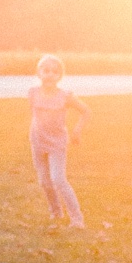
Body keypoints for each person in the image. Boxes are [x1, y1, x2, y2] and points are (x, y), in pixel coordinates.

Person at [28, 54, 90, 228]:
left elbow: (86, 111)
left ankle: (77, 219)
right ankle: (56, 212)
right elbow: (34, 115)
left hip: (57, 144)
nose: (49, 74)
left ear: (60, 76)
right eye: (46, 71)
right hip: (38, 143)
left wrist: (77, 130)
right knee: (44, 182)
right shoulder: (32, 93)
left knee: (58, 179)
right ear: (39, 73)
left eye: (55, 72)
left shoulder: (65, 96)